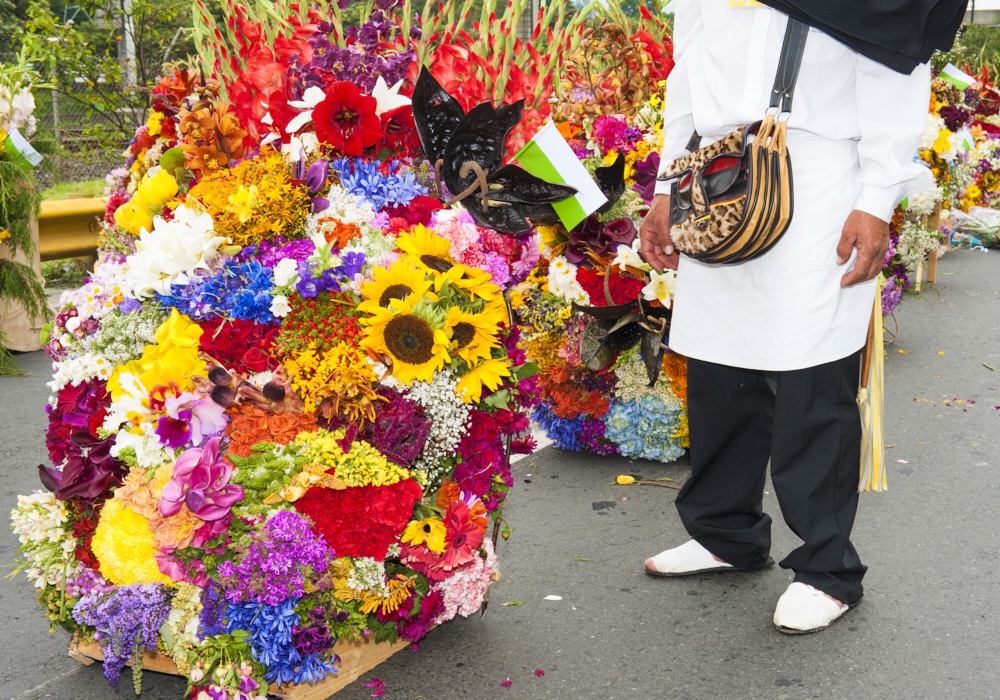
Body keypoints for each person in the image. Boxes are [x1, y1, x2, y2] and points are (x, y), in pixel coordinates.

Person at [639, 0, 962, 634]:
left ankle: (826, 569)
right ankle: (725, 534)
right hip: (716, 170)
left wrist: (877, 199)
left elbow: (896, 68)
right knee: (719, 369)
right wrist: (663, 189)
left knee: (812, 381)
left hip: (816, 176)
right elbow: (687, 69)